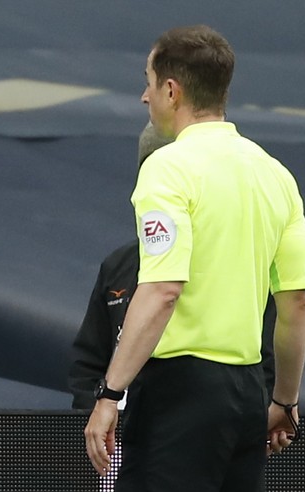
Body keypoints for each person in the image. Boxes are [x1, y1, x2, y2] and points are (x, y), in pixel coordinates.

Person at [83, 25, 305, 492]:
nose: (144, 97)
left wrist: (110, 394)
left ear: (172, 90)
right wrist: (284, 401)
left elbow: (164, 289)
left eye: (148, 82)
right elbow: (296, 307)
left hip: (178, 395)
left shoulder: (167, 168)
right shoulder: (275, 174)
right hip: (248, 394)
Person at [68, 124, 278, 410]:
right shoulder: (118, 265)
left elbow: (263, 363)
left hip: (197, 425)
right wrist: (97, 411)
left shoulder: (240, 267)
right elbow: (88, 362)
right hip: (119, 437)